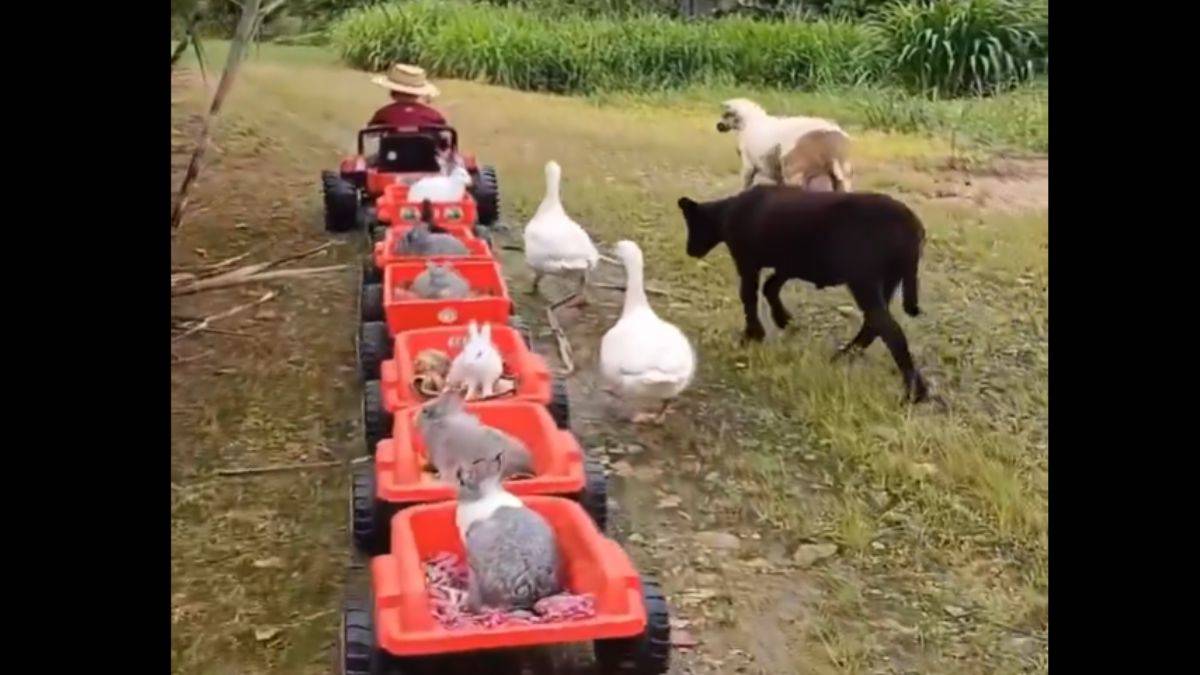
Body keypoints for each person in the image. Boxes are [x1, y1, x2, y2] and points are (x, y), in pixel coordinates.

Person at [369, 63, 447, 129]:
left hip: (392, 147)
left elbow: (371, 134)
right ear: (418, 94)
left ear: (392, 93)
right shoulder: (434, 116)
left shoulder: (382, 114)